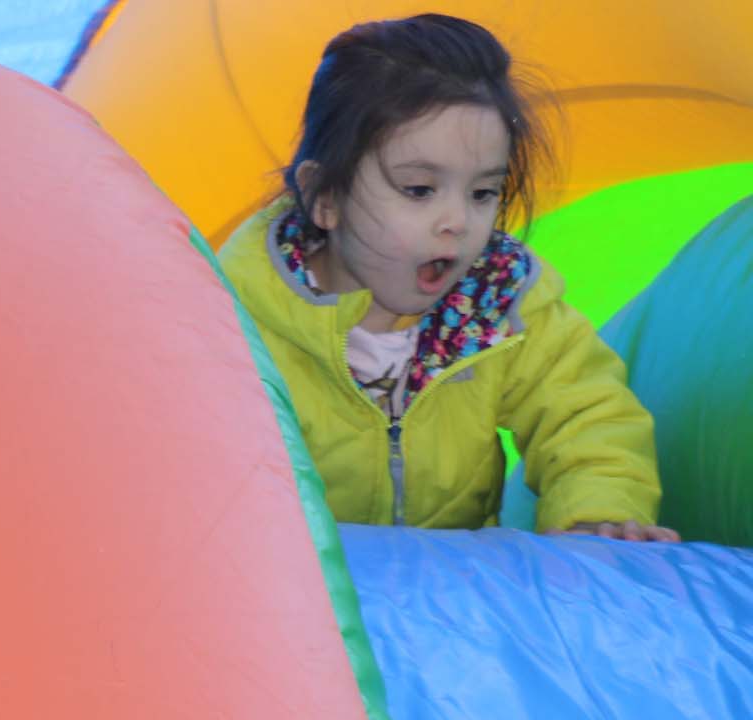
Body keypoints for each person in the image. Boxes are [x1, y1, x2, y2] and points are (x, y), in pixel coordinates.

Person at [214, 13, 677, 542]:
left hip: (451, 608)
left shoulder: (495, 306)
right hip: (301, 601)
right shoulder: (239, 327)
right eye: (419, 190)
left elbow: (587, 415)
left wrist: (598, 516)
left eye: (482, 194)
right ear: (326, 196)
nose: (457, 221)